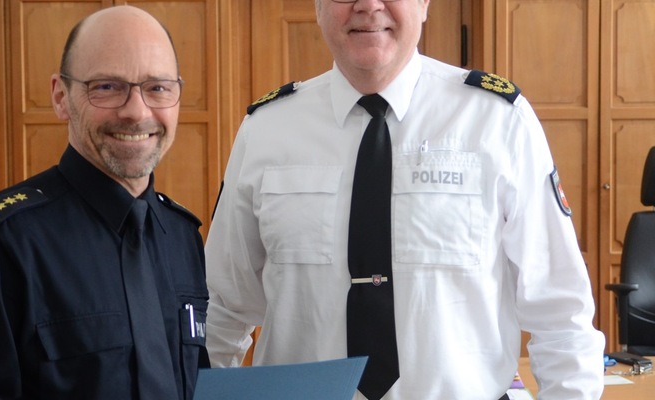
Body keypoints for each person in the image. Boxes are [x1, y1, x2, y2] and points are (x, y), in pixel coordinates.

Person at [204, 0, 605, 399]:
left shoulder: (497, 120)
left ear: (424, 3)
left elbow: (560, 311)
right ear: (318, 7)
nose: (368, 5)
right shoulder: (267, 129)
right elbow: (221, 306)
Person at [0, 5, 208, 399]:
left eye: (157, 88)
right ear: (61, 97)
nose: (136, 111)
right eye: (107, 87)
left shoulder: (182, 236)